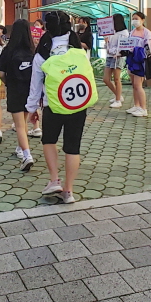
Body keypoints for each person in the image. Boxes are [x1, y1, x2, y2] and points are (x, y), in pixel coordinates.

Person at [27, 11, 93, 204]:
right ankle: (69, 191)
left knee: (49, 140)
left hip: (52, 105)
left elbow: (35, 85)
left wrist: (31, 109)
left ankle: (54, 179)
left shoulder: (43, 52)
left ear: (47, 28)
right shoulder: (79, 50)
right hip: (77, 105)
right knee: (73, 148)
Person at [0, 19, 36, 171]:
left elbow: (0, 73)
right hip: (30, 91)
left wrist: (8, 82)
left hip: (15, 89)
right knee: (24, 122)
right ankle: (20, 148)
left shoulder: (9, 50)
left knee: (19, 125)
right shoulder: (33, 50)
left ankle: (27, 156)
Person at [125, 11, 151, 117]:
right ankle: (136, 105)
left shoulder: (147, 33)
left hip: (140, 61)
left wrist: (139, 51)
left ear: (142, 20)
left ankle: (143, 108)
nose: (134, 21)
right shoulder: (131, 32)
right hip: (132, 60)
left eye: (137, 18)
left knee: (138, 85)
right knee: (134, 85)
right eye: (133, 18)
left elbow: (150, 49)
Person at [103, 13, 129, 108]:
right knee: (106, 79)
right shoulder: (111, 32)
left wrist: (113, 51)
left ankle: (118, 100)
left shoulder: (124, 33)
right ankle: (118, 96)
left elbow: (122, 47)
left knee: (117, 78)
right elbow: (107, 46)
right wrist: (106, 43)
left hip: (118, 56)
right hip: (110, 56)